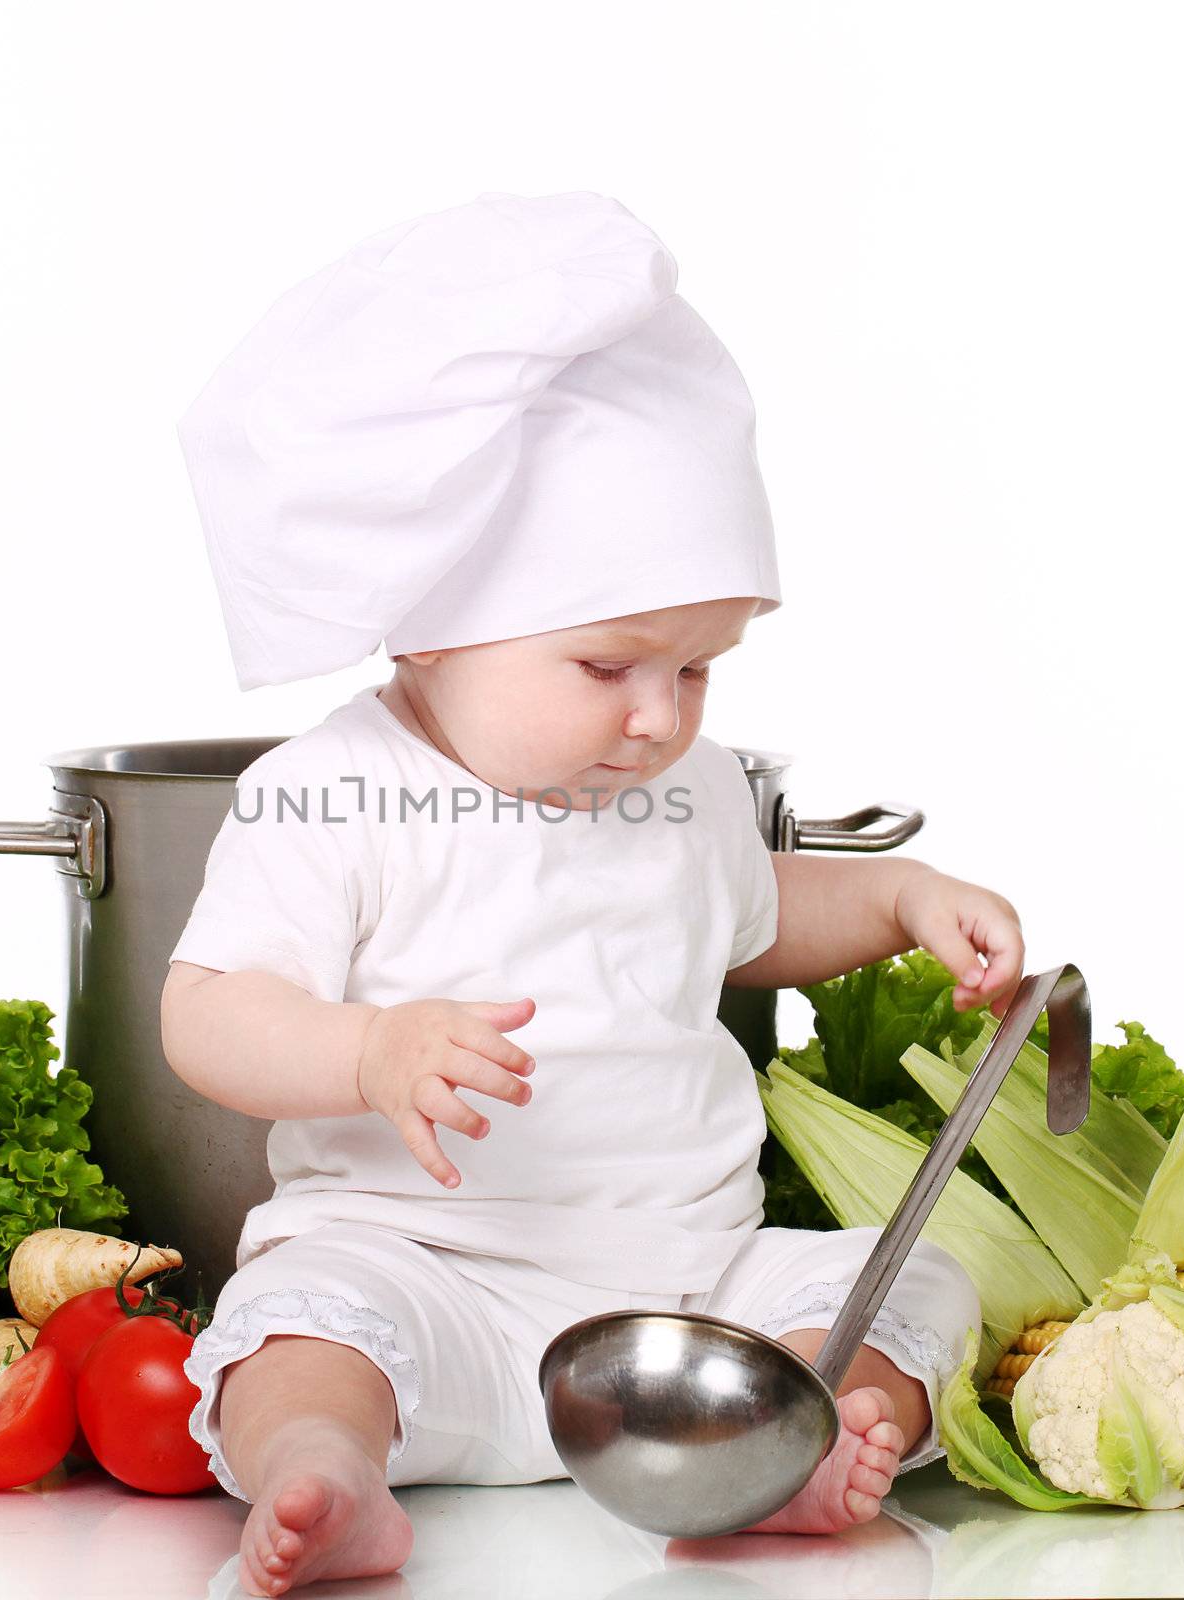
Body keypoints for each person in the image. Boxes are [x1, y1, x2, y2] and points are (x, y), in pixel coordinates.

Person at [160, 191, 1018, 1597]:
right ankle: (332, 1471)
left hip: (696, 1297)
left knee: (913, 1281)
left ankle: (792, 1432)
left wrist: (905, 899)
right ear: (435, 623)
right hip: (424, 1272)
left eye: (697, 669)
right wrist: (366, 1052)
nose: (658, 718)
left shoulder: (683, 789)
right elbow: (209, 1013)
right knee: (289, 1331)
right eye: (608, 665)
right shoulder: (336, 792)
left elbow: (754, 920)